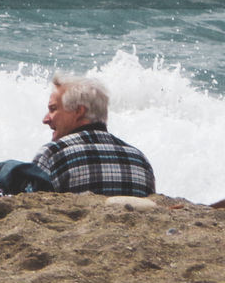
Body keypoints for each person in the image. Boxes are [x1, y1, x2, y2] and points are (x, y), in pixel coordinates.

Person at [27, 74, 156, 197]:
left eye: (53, 109)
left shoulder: (52, 155)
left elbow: (26, 206)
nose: (45, 119)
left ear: (78, 111)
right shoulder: (139, 160)